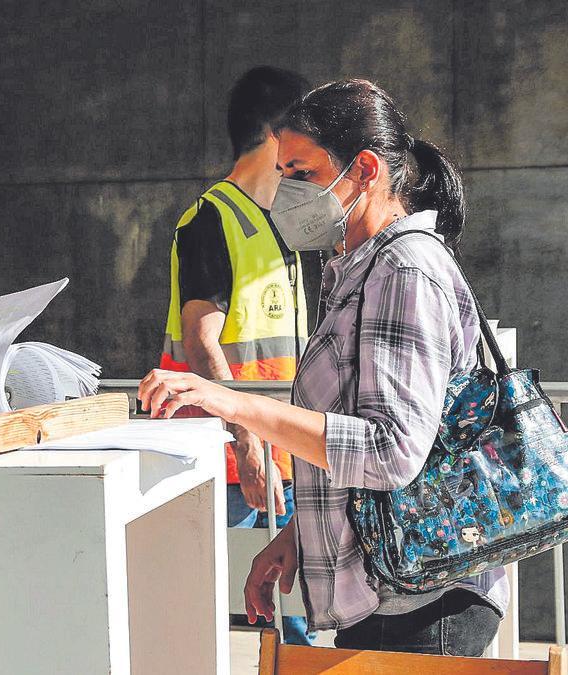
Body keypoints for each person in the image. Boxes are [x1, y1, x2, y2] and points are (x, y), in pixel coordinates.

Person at [139, 79, 508, 656]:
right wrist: (299, 536)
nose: (286, 189)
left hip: (419, 600)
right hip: (388, 585)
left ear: (363, 169)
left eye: (302, 173)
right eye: (283, 170)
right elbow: (362, 430)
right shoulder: (361, 268)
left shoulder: (402, 270)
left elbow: (390, 451)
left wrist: (236, 405)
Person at [159, 66, 313, 645]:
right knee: (196, 616)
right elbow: (201, 340)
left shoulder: (278, 229)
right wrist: (247, 444)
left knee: (294, 621)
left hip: (278, 455)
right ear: (278, 134)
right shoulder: (212, 220)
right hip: (226, 463)